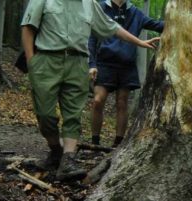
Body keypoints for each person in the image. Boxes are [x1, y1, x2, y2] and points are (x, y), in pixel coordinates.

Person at [21, 0, 160, 181]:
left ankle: (68, 159)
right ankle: (56, 150)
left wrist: (139, 42)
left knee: (73, 114)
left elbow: (112, 27)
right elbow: (27, 28)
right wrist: (32, 62)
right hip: (47, 60)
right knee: (45, 114)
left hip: (78, 63)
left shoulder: (90, 3)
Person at [88, 0, 164, 147]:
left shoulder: (135, 12)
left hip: (126, 64)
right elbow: (91, 39)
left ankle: (118, 143)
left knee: (122, 102)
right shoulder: (101, 8)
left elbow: (158, 25)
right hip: (104, 62)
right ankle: (94, 142)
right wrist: (92, 63)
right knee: (98, 100)